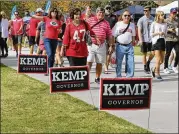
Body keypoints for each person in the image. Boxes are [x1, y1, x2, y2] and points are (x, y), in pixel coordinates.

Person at [87, 7, 114, 84]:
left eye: (102, 13)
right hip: (91, 44)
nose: (101, 14)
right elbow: (85, 28)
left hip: (101, 45)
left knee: (99, 63)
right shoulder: (90, 20)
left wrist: (111, 45)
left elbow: (109, 35)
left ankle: (97, 77)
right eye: (99, 12)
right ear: (96, 13)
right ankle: (86, 78)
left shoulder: (106, 23)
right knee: (89, 62)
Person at [32, 8, 61, 75]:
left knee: (52, 55)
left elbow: (59, 29)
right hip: (47, 39)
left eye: (55, 12)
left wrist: (60, 31)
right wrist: (32, 15)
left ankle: (50, 69)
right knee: (50, 53)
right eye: (53, 12)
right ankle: (47, 69)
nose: (54, 13)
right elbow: (38, 17)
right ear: (50, 13)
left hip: (55, 39)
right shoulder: (46, 18)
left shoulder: (58, 21)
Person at [112, 10, 136, 78]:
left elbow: (133, 35)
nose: (127, 17)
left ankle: (129, 76)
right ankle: (119, 76)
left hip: (129, 45)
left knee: (130, 62)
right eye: (125, 15)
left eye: (128, 15)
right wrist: (113, 44)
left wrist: (133, 43)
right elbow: (113, 34)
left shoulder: (132, 24)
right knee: (119, 62)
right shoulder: (118, 24)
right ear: (122, 16)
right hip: (120, 45)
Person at [150, 11, 167, 81]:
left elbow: (166, 34)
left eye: (164, 14)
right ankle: (158, 74)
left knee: (162, 61)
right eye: (162, 15)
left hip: (162, 41)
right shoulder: (154, 23)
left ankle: (153, 69)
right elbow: (151, 34)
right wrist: (158, 33)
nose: (163, 16)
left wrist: (164, 34)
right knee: (158, 60)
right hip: (156, 42)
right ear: (158, 16)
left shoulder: (165, 24)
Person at [137, 6, 154, 74]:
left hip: (152, 39)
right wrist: (140, 40)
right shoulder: (141, 19)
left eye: (147, 10)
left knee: (153, 53)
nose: (145, 12)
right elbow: (139, 30)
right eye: (144, 10)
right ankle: (145, 67)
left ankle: (148, 63)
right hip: (144, 39)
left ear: (150, 11)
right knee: (144, 54)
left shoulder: (153, 19)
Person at [163, 7, 178, 74]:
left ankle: (174, 66)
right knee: (167, 54)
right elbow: (163, 29)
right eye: (173, 13)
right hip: (169, 39)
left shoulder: (177, 20)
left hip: (176, 39)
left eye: (175, 13)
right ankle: (165, 68)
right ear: (170, 13)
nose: (175, 14)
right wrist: (169, 30)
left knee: (178, 52)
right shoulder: (166, 20)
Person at [104, 5, 118, 74]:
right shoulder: (103, 16)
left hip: (112, 36)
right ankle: (105, 66)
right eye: (107, 8)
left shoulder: (114, 17)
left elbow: (117, 27)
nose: (108, 10)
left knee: (110, 52)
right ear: (105, 9)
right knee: (106, 52)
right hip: (104, 37)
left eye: (109, 8)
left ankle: (107, 64)